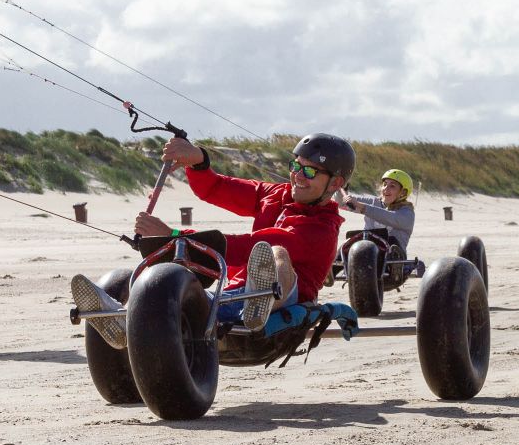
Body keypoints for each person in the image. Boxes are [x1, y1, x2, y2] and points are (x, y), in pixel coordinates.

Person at [71, 133, 353, 348]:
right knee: (170, 286)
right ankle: (125, 317)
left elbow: (247, 246)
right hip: (233, 293)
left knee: (275, 252)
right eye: (296, 165)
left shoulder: (322, 229)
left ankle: (259, 302)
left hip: (287, 302)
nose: (297, 176)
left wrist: (173, 236)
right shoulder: (276, 194)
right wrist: (198, 161)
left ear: (335, 183)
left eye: (310, 171)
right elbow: (216, 188)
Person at [338, 168, 416, 254]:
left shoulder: (407, 212)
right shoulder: (374, 202)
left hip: (392, 258)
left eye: (392, 186)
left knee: (391, 241)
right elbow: (340, 203)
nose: (386, 188)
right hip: (366, 249)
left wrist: (362, 206)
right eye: (385, 184)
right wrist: (343, 186)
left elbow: (388, 217)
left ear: (403, 193)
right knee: (346, 245)